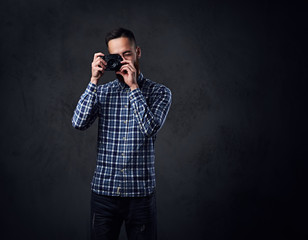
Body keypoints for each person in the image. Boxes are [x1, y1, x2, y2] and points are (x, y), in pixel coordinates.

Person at [72, 27, 172, 240]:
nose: (122, 61)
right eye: (115, 57)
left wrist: (134, 87)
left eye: (126, 54)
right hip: (104, 193)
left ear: (138, 53)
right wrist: (93, 81)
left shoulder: (160, 92)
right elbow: (78, 123)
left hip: (140, 195)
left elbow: (149, 129)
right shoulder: (102, 91)